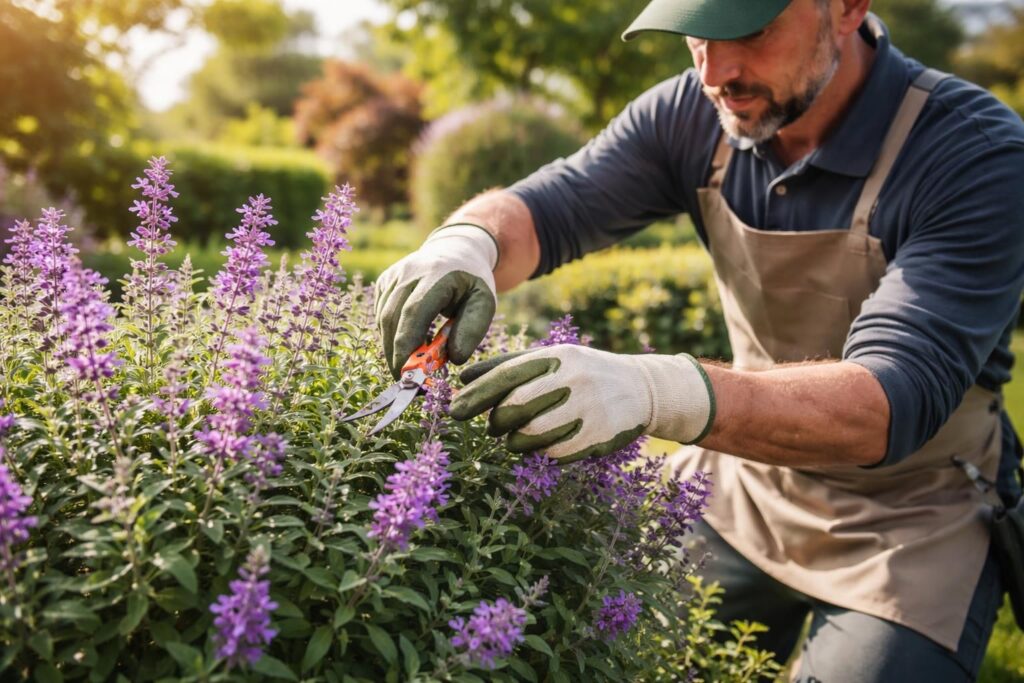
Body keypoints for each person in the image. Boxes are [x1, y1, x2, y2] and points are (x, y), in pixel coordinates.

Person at [373, 0, 1024, 680]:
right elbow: (552, 207)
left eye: (750, 30)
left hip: (916, 518)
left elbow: (889, 401)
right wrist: (466, 243)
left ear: (847, 8)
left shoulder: (972, 153)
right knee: (588, 645)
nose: (717, 71)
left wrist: (659, 388)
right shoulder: (695, 111)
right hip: (746, 486)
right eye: (698, 34)